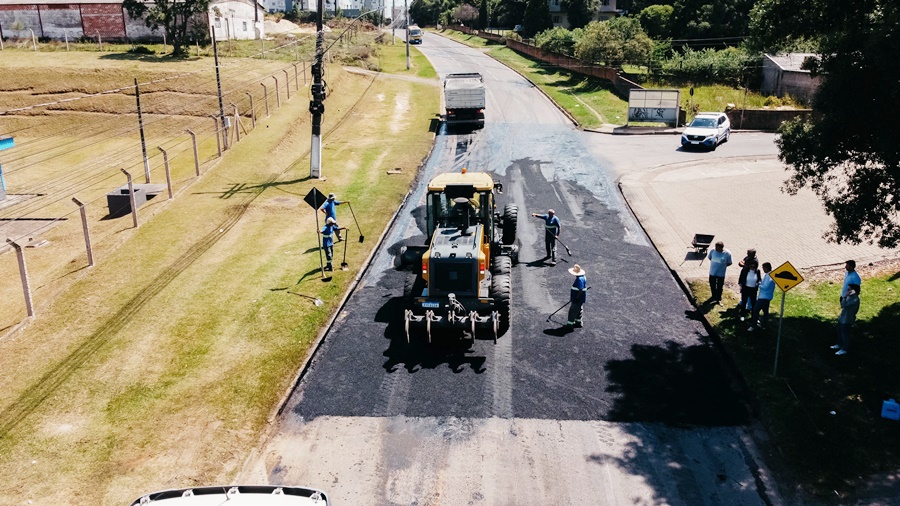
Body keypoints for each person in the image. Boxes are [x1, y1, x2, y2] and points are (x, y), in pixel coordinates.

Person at [832, 283, 860, 356]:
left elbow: (845, 305)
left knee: (845, 334)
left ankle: (844, 349)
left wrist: (844, 297)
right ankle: (839, 344)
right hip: (843, 317)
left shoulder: (855, 300)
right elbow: (842, 305)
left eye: (849, 289)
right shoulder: (849, 297)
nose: (847, 291)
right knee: (839, 332)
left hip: (848, 319)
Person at [748, 262, 775, 331]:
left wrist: (758, 285)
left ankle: (753, 325)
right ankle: (764, 325)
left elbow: (765, 286)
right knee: (765, 312)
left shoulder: (769, 276)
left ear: (766, 268)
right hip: (767, 296)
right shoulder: (770, 275)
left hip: (764, 296)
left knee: (755, 310)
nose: (763, 269)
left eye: (763, 268)